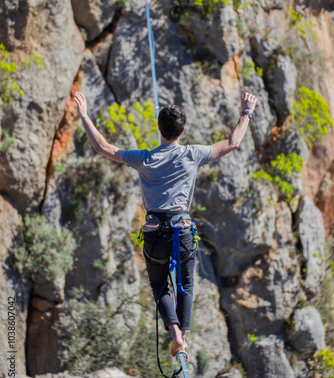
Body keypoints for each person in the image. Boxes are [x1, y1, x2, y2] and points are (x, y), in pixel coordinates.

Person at [74, 91, 257, 356]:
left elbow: (103, 147)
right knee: (186, 284)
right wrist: (246, 112)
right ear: (183, 130)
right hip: (182, 230)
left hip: (154, 233)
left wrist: (84, 115)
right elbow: (233, 142)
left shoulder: (144, 158)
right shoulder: (193, 154)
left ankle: (175, 334)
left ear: (158, 128)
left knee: (160, 285)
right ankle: (182, 335)